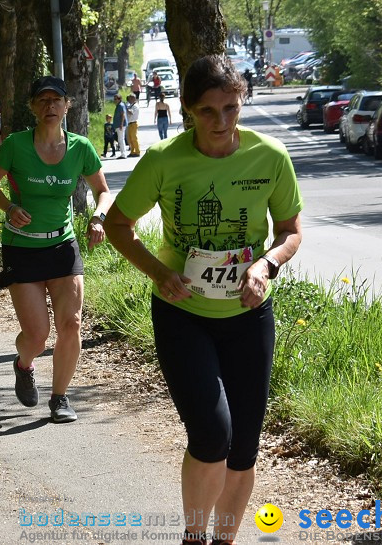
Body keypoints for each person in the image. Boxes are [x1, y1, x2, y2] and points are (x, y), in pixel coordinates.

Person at [104, 54, 303, 545]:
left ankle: (224, 539)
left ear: (243, 103)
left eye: (232, 109)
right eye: (209, 111)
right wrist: (158, 270)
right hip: (183, 313)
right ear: (188, 109)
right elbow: (117, 225)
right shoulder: (163, 160)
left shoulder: (270, 156)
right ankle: (195, 536)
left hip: (248, 313)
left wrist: (266, 264)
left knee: (245, 449)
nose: (221, 122)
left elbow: (290, 231)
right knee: (212, 435)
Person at [0, 76, 113, 423]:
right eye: (42, 101)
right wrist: (9, 208)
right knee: (38, 336)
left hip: (63, 244)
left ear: (67, 106)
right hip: (22, 248)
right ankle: (24, 364)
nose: (50, 106)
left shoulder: (81, 147)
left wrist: (98, 219)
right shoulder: (15, 145)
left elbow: (104, 191)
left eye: (57, 100)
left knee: (71, 323)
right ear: (33, 108)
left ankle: (60, 398)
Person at [112, 94, 128, 160]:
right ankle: (123, 153)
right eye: (114, 99)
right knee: (120, 139)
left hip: (120, 125)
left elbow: (123, 115)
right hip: (119, 125)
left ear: (119, 99)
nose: (115, 100)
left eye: (116, 99)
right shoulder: (119, 105)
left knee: (121, 139)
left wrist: (121, 124)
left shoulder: (120, 106)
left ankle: (123, 154)